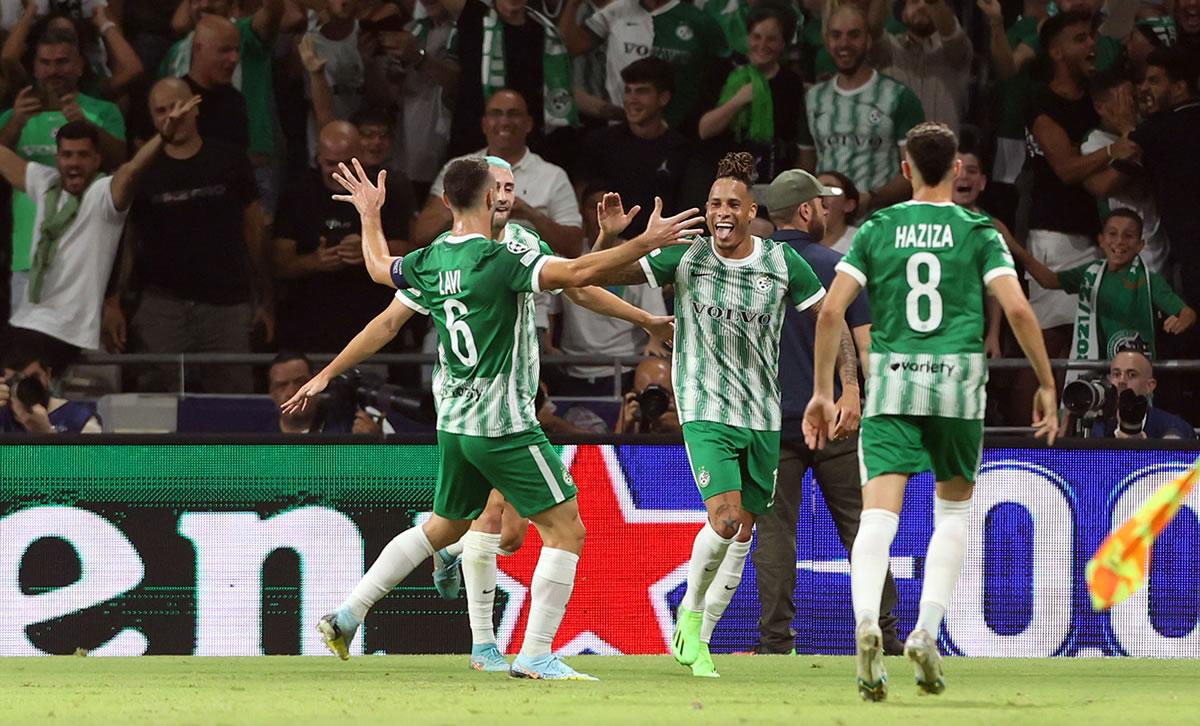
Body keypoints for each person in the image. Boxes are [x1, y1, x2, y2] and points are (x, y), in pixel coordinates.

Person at [336, 155, 677, 672]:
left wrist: (369, 215)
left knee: (461, 529)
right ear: (474, 195)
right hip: (502, 418)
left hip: (461, 419)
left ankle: (349, 612)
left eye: (511, 186)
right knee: (560, 527)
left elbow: (574, 282)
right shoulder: (500, 258)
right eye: (496, 185)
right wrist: (640, 245)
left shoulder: (445, 255)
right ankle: (530, 652)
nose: (503, 194)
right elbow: (577, 273)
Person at [804, 122, 1058, 701]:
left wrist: (823, 391)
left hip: (893, 379)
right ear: (956, 171)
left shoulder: (878, 227)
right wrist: (1045, 381)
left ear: (905, 169)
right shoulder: (977, 228)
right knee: (951, 515)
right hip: (958, 384)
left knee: (877, 517)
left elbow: (828, 313)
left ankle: (867, 621)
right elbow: (1017, 308)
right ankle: (926, 630)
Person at [628, 152, 861, 678]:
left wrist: (849, 385)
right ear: (705, 210)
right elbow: (597, 272)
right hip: (704, 406)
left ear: (753, 210)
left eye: (733, 203)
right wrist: (625, 241)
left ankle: (700, 636)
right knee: (726, 517)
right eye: (714, 203)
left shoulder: (780, 263)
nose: (722, 212)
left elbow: (831, 317)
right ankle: (691, 615)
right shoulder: (685, 255)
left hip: (763, 414)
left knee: (744, 532)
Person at [754, 168, 904, 657]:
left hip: (770, 422)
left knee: (775, 534)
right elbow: (865, 346)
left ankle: (775, 644)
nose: (825, 211)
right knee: (864, 528)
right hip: (838, 418)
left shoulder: (753, 265)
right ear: (805, 210)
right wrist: (858, 395)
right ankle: (883, 635)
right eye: (820, 204)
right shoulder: (837, 266)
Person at [3, 98, 199, 374]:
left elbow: (131, 170)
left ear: (97, 159)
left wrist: (164, 135)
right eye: (67, 154)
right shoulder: (45, 182)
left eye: (83, 155)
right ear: (57, 157)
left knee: (24, 386)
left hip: (65, 327)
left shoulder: (103, 195)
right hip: (27, 319)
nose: (74, 162)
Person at [109, 77, 269, 394]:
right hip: (161, 305)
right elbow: (127, 240)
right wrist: (114, 299)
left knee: (232, 403)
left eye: (177, 107)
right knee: (156, 405)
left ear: (195, 106)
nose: (171, 117)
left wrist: (265, 299)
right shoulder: (144, 171)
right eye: (161, 111)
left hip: (226, 304)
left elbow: (254, 230)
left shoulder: (230, 159)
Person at [0, 25, 126, 311]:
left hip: (86, 256)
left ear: (80, 66)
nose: (53, 70)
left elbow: (120, 160)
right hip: (28, 259)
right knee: (29, 353)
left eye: (62, 62)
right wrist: (16, 123)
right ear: (34, 67)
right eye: (45, 63)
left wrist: (86, 125)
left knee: (85, 352)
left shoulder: (103, 111)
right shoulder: (14, 116)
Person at [272, 120, 412, 353]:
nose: (339, 171)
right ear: (318, 157)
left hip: (373, 317)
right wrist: (315, 262)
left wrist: (368, 250)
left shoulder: (387, 189)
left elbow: (407, 253)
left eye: (348, 163)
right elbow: (278, 262)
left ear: (361, 155)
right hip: (311, 319)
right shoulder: (297, 194)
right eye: (330, 163)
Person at [1007, 208, 1196, 362]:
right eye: (1112, 234)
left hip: (1134, 373)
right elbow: (1048, 280)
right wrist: (1013, 246)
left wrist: (1181, 321)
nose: (1119, 241)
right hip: (1095, 370)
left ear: (1140, 245)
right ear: (1102, 241)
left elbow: (1187, 313)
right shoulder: (1089, 273)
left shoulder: (1149, 280)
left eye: (1128, 236)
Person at [412, 89, 582, 256]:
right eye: (496, 114)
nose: (504, 121)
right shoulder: (458, 169)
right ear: (484, 124)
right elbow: (420, 235)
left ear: (529, 124)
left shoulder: (553, 176)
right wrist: (470, 204)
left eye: (513, 114)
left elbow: (574, 247)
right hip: (469, 271)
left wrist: (531, 214)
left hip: (531, 276)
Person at [797, 3, 924, 214]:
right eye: (836, 35)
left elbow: (914, 173)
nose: (844, 43)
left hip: (880, 225)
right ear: (827, 42)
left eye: (853, 35)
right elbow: (805, 170)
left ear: (868, 40)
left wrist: (872, 198)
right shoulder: (813, 99)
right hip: (826, 229)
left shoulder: (898, 97)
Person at [160, 0, 284, 211]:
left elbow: (273, 10)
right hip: (192, 175)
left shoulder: (246, 34)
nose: (205, 4)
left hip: (252, 168)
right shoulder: (176, 53)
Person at [558, 0, 730, 136]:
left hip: (679, 133)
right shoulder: (617, 10)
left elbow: (722, 75)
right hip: (622, 130)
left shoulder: (699, 21)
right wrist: (572, 4)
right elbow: (568, 48)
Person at [575, 57, 689, 240]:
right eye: (628, 91)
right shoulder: (600, 142)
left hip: (660, 248)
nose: (631, 99)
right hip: (608, 246)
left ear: (663, 98)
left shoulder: (680, 149)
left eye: (641, 92)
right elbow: (582, 194)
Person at [697, 4, 805, 183]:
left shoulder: (790, 82)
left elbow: (789, 137)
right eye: (756, 37)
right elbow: (704, 130)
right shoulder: (722, 70)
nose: (762, 45)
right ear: (748, 37)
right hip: (718, 177)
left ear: (783, 43)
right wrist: (738, 100)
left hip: (768, 179)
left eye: (771, 39)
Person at [1080, 72, 1168, 273]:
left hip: (1161, 244)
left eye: (1133, 99)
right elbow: (1105, 185)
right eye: (1124, 101)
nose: (1132, 107)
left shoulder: (1149, 130)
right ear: (1100, 107)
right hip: (1128, 251)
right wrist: (1129, 130)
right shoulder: (1096, 141)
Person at [869, 0, 971, 132]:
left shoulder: (956, 52)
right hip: (897, 150)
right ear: (903, 14)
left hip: (943, 150)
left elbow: (951, 34)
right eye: (915, 1)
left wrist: (934, 3)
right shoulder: (889, 51)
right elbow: (872, 30)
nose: (923, 5)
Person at [267, 351, 386, 434]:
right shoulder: (260, 438)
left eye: (300, 382)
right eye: (282, 385)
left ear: (317, 385)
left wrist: (374, 447)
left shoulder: (351, 424)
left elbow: (395, 468)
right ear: (271, 393)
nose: (292, 392)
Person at [1090, 347, 1195, 439]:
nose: (1121, 381)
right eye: (1116, 374)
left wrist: (1143, 449)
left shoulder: (1176, 428)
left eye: (1132, 375)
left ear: (1149, 386)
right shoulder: (1100, 427)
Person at [0, 346, 101, 433]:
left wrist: (46, 434)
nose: (26, 387)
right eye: (15, 381)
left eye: (34, 378)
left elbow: (96, 456)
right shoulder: (3, 415)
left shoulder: (79, 418)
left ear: (47, 375)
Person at [614, 356, 681, 433]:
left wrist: (681, 429)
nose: (656, 400)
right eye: (650, 394)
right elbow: (604, 445)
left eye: (662, 394)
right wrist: (621, 430)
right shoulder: (633, 422)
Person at [816, 170, 859, 254]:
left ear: (849, 205)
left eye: (829, 190)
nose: (820, 195)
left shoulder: (862, 242)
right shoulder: (795, 240)